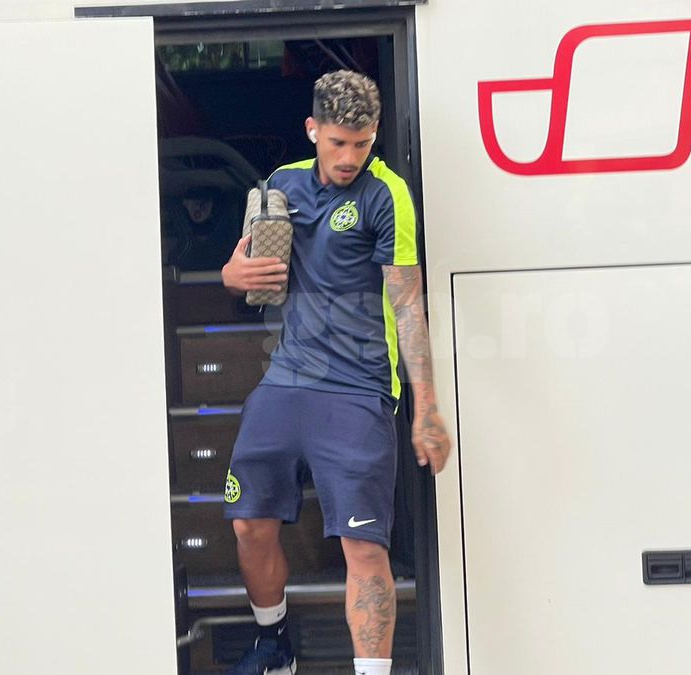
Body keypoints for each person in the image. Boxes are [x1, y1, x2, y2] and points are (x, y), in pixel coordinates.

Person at [218, 70, 451, 675]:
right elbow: (250, 276)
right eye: (339, 142)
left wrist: (425, 406)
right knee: (247, 523)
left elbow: (406, 302)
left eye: (363, 143)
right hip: (287, 379)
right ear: (312, 130)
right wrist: (231, 277)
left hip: (358, 390)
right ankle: (275, 645)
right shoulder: (281, 185)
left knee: (364, 547)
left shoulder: (387, 194)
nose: (350, 157)